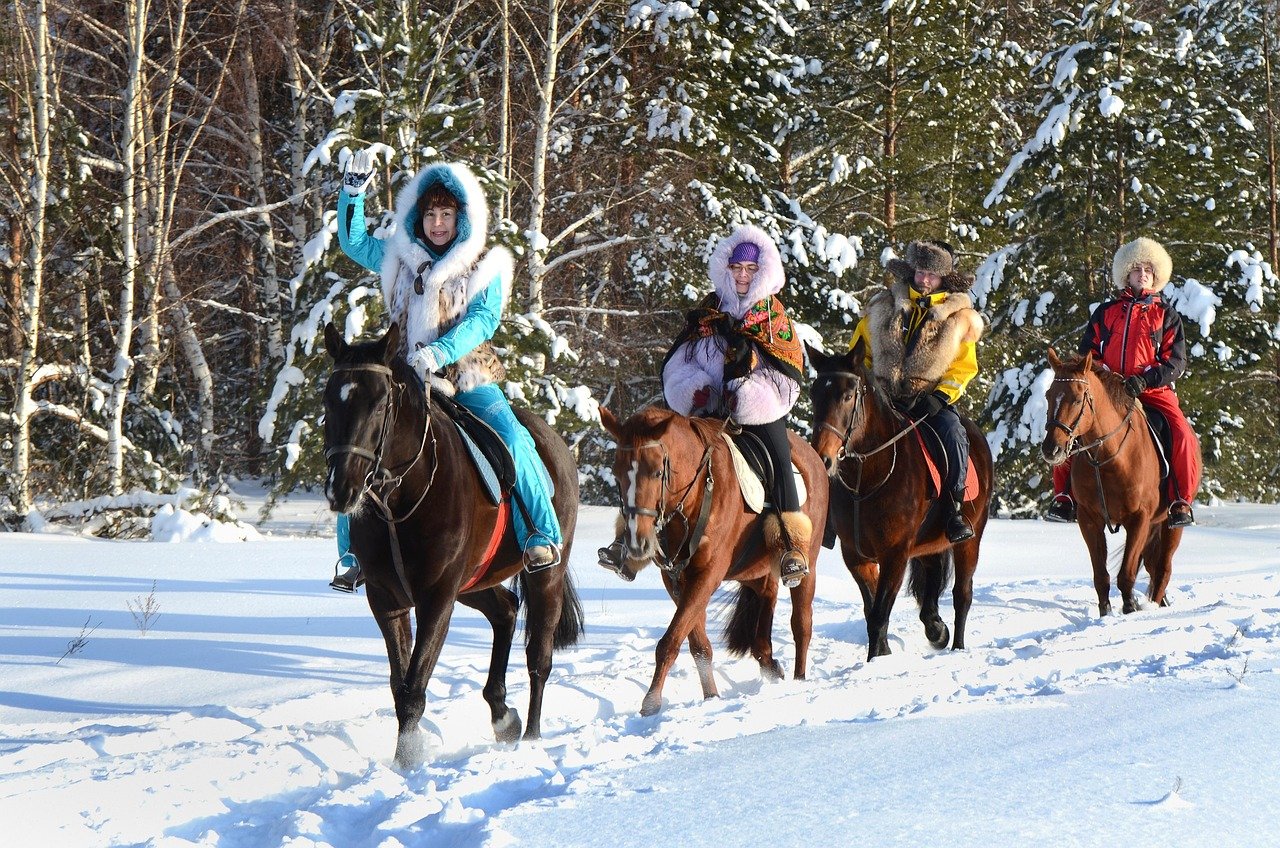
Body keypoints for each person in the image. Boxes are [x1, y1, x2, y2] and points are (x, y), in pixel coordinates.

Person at [328, 149, 562, 592]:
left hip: (467, 378)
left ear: (462, 220)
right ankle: (352, 554)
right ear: (418, 217)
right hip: (403, 380)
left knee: (512, 438)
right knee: (355, 439)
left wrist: (439, 352)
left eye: (447, 215)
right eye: (431, 213)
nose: (438, 223)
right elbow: (354, 241)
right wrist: (351, 196)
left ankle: (541, 532)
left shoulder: (481, 265)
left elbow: (484, 320)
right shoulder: (398, 255)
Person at [598, 224, 811, 588]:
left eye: (750, 270)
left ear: (763, 273)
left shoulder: (776, 322)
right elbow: (681, 361)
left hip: (756, 415)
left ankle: (790, 544)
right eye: (736, 268)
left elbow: (788, 376)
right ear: (725, 270)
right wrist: (694, 390)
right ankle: (627, 541)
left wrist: (745, 394)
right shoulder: (707, 312)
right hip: (704, 413)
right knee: (649, 458)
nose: (742, 276)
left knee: (778, 455)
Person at [1046, 236, 1200, 527]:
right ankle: (1064, 496)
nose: (1143, 274)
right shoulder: (1105, 312)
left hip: (1153, 392)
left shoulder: (1167, 315)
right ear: (1126, 274)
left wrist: (1145, 380)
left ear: (1156, 277)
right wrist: (1105, 375)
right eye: (1137, 269)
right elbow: (1087, 355)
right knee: (1070, 425)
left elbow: (1176, 361)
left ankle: (1180, 500)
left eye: (1148, 270)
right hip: (1108, 392)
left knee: (1181, 433)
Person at [849, 239, 983, 544]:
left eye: (932, 276)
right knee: (841, 433)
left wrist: (940, 398)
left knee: (953, 433)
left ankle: (954, 508)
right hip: (883, 400)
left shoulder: (958, 319)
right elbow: (861, 354)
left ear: (943, 280)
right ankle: (835, 509)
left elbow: (964, 367)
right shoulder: (881, 307)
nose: (924, 280)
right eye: (921, 272)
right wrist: (866, 387)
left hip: (929, 403)